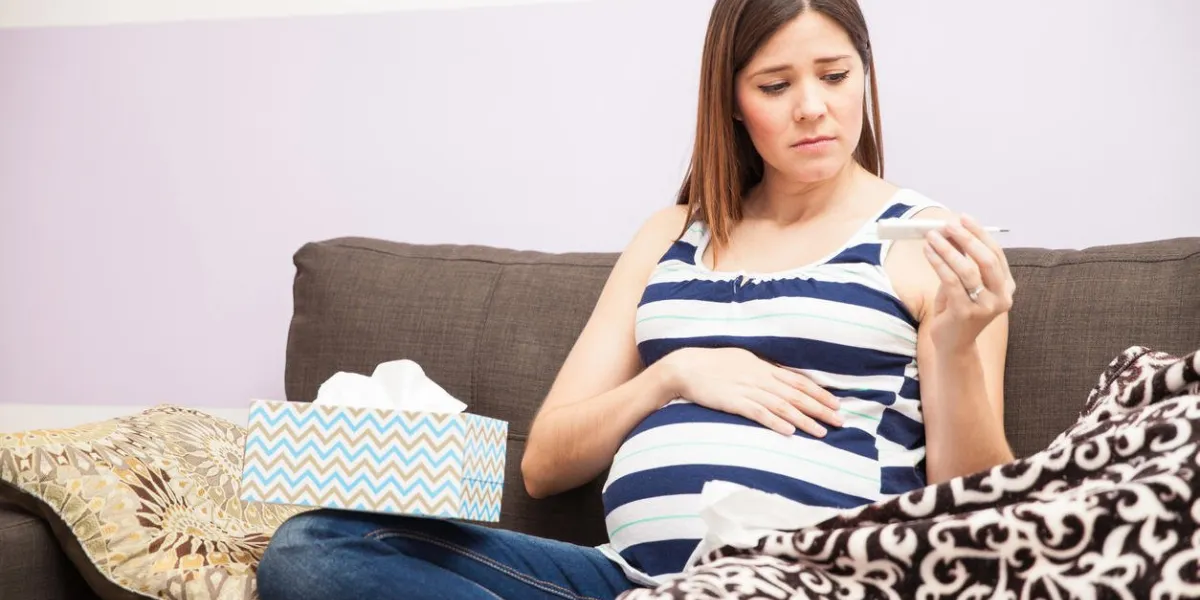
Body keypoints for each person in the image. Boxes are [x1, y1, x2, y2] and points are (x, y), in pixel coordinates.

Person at [256, 0, 1017, 598]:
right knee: (313, 549)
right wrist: (674, 373)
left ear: (865, 75)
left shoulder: (933, 245)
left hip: (809, 577)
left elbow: (976, 508)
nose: (812, 107)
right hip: (627, 583)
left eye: (835, 74)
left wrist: (954, 345)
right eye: (776, 86)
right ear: (732, 103)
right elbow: (545, 464)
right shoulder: (671, 234)